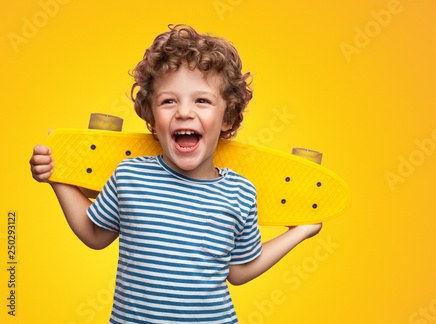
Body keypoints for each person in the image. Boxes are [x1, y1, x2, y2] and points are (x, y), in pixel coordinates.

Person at [30, 24, 322, 323]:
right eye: (169, 101)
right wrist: (57, 176)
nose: (184, 112)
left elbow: (238, 270)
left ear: (228, 117)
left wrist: (299, 232)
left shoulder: (240, 192)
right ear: (152, 117)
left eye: (202, 100)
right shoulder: (130, 176)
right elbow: (95, 234)